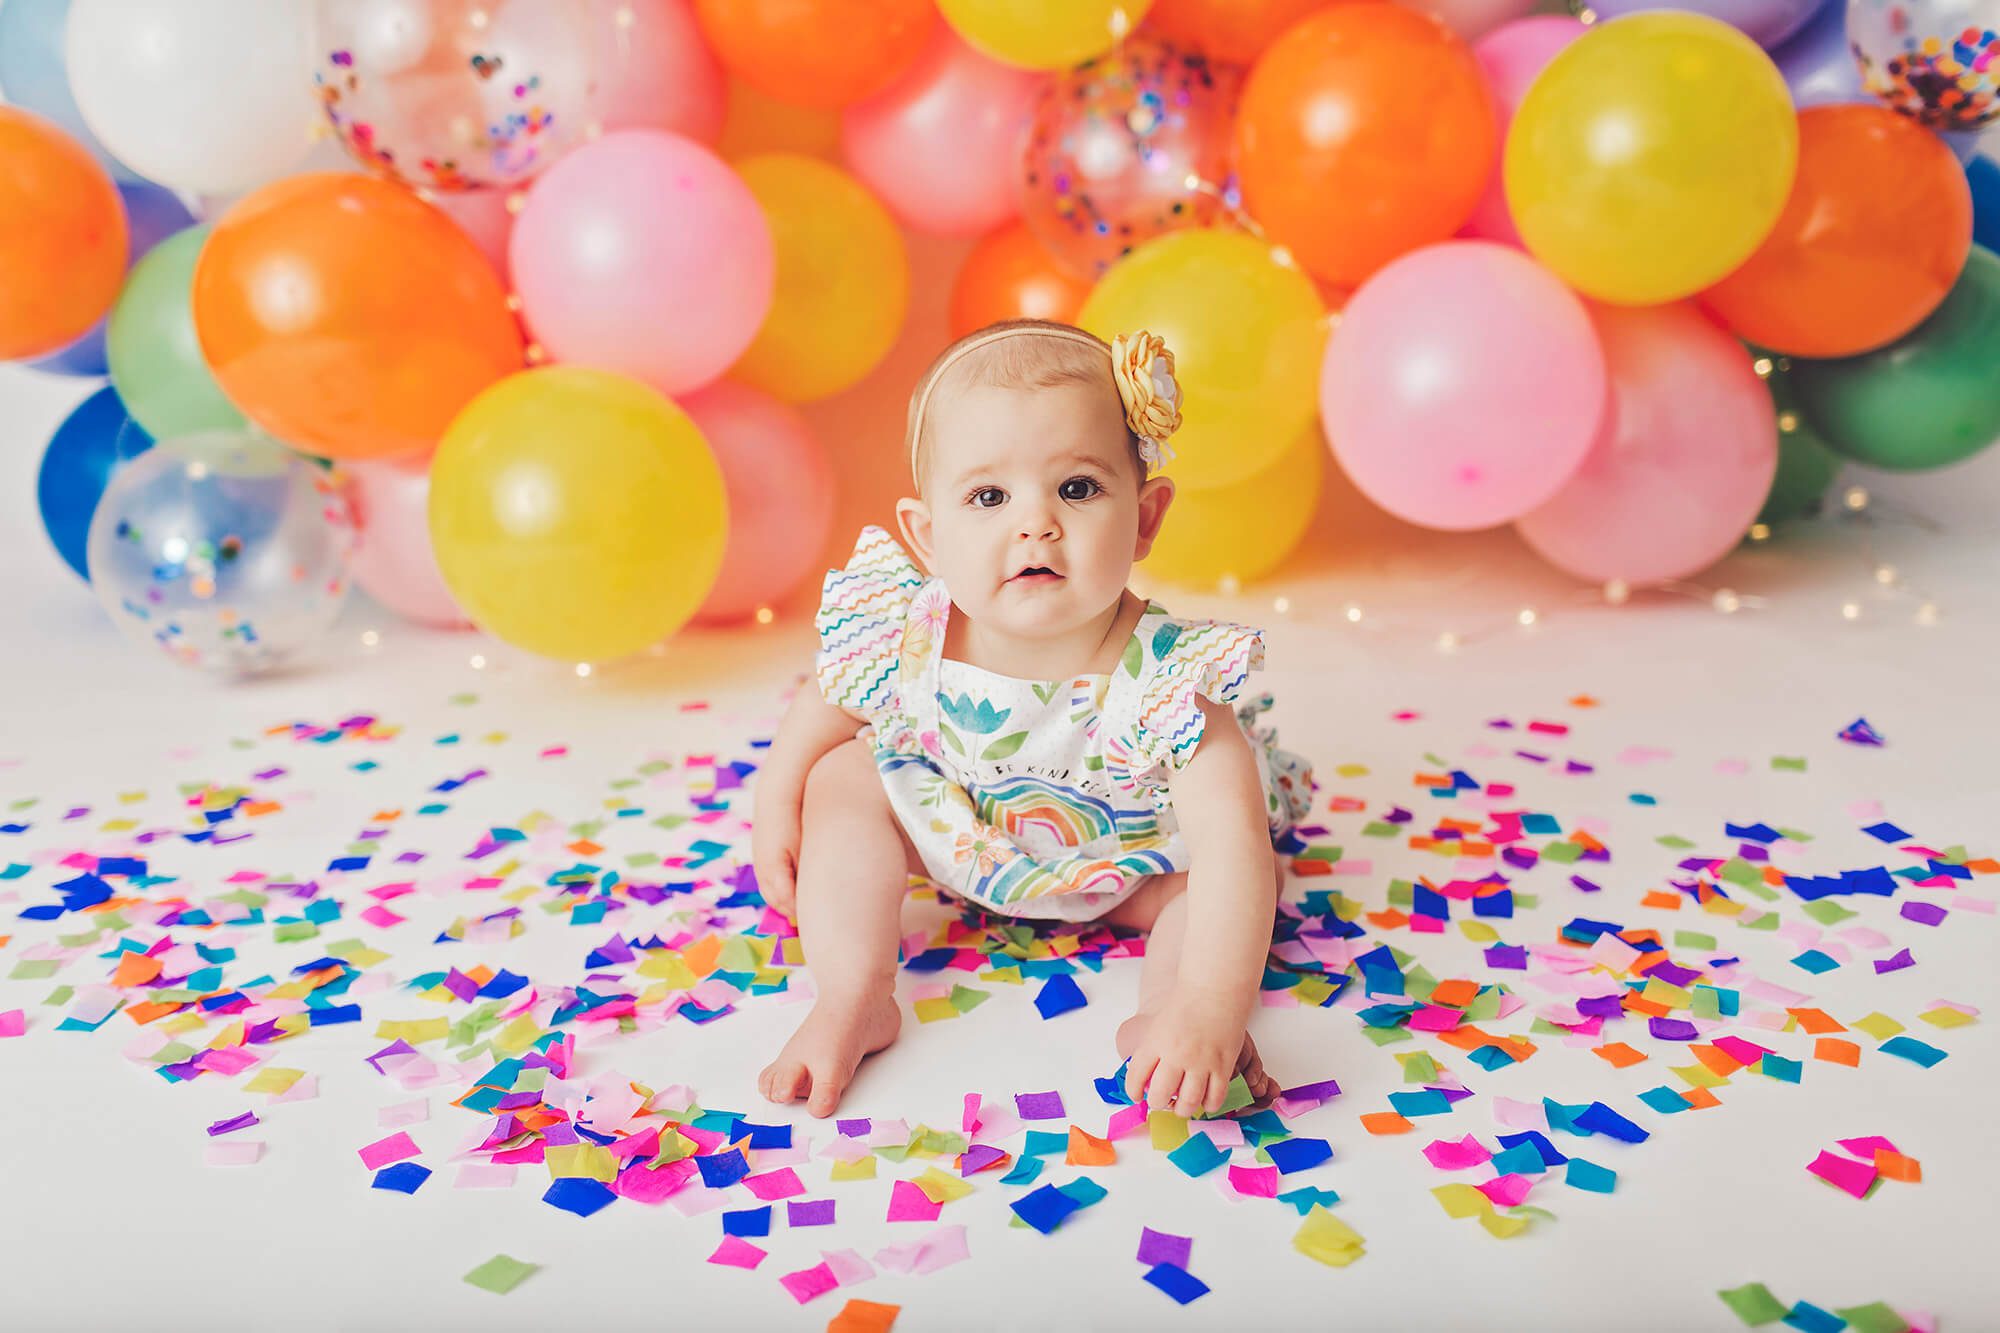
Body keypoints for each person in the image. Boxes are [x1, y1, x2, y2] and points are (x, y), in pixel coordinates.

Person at [751, 318, 1313, 1118]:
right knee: (843, 777)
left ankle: (1170, 1012)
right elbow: (822, 709)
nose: (1036, 523)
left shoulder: (1167, 680)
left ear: (1146, 517)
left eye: (1077, 488)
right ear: (928, 534)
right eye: (988, 495)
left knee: (1225, 882)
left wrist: (1213, 1006)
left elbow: (1231, 843)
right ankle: (852, 994)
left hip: (1133, 862)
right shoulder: (909, 633)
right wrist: (777, 801)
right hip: (973, 837)